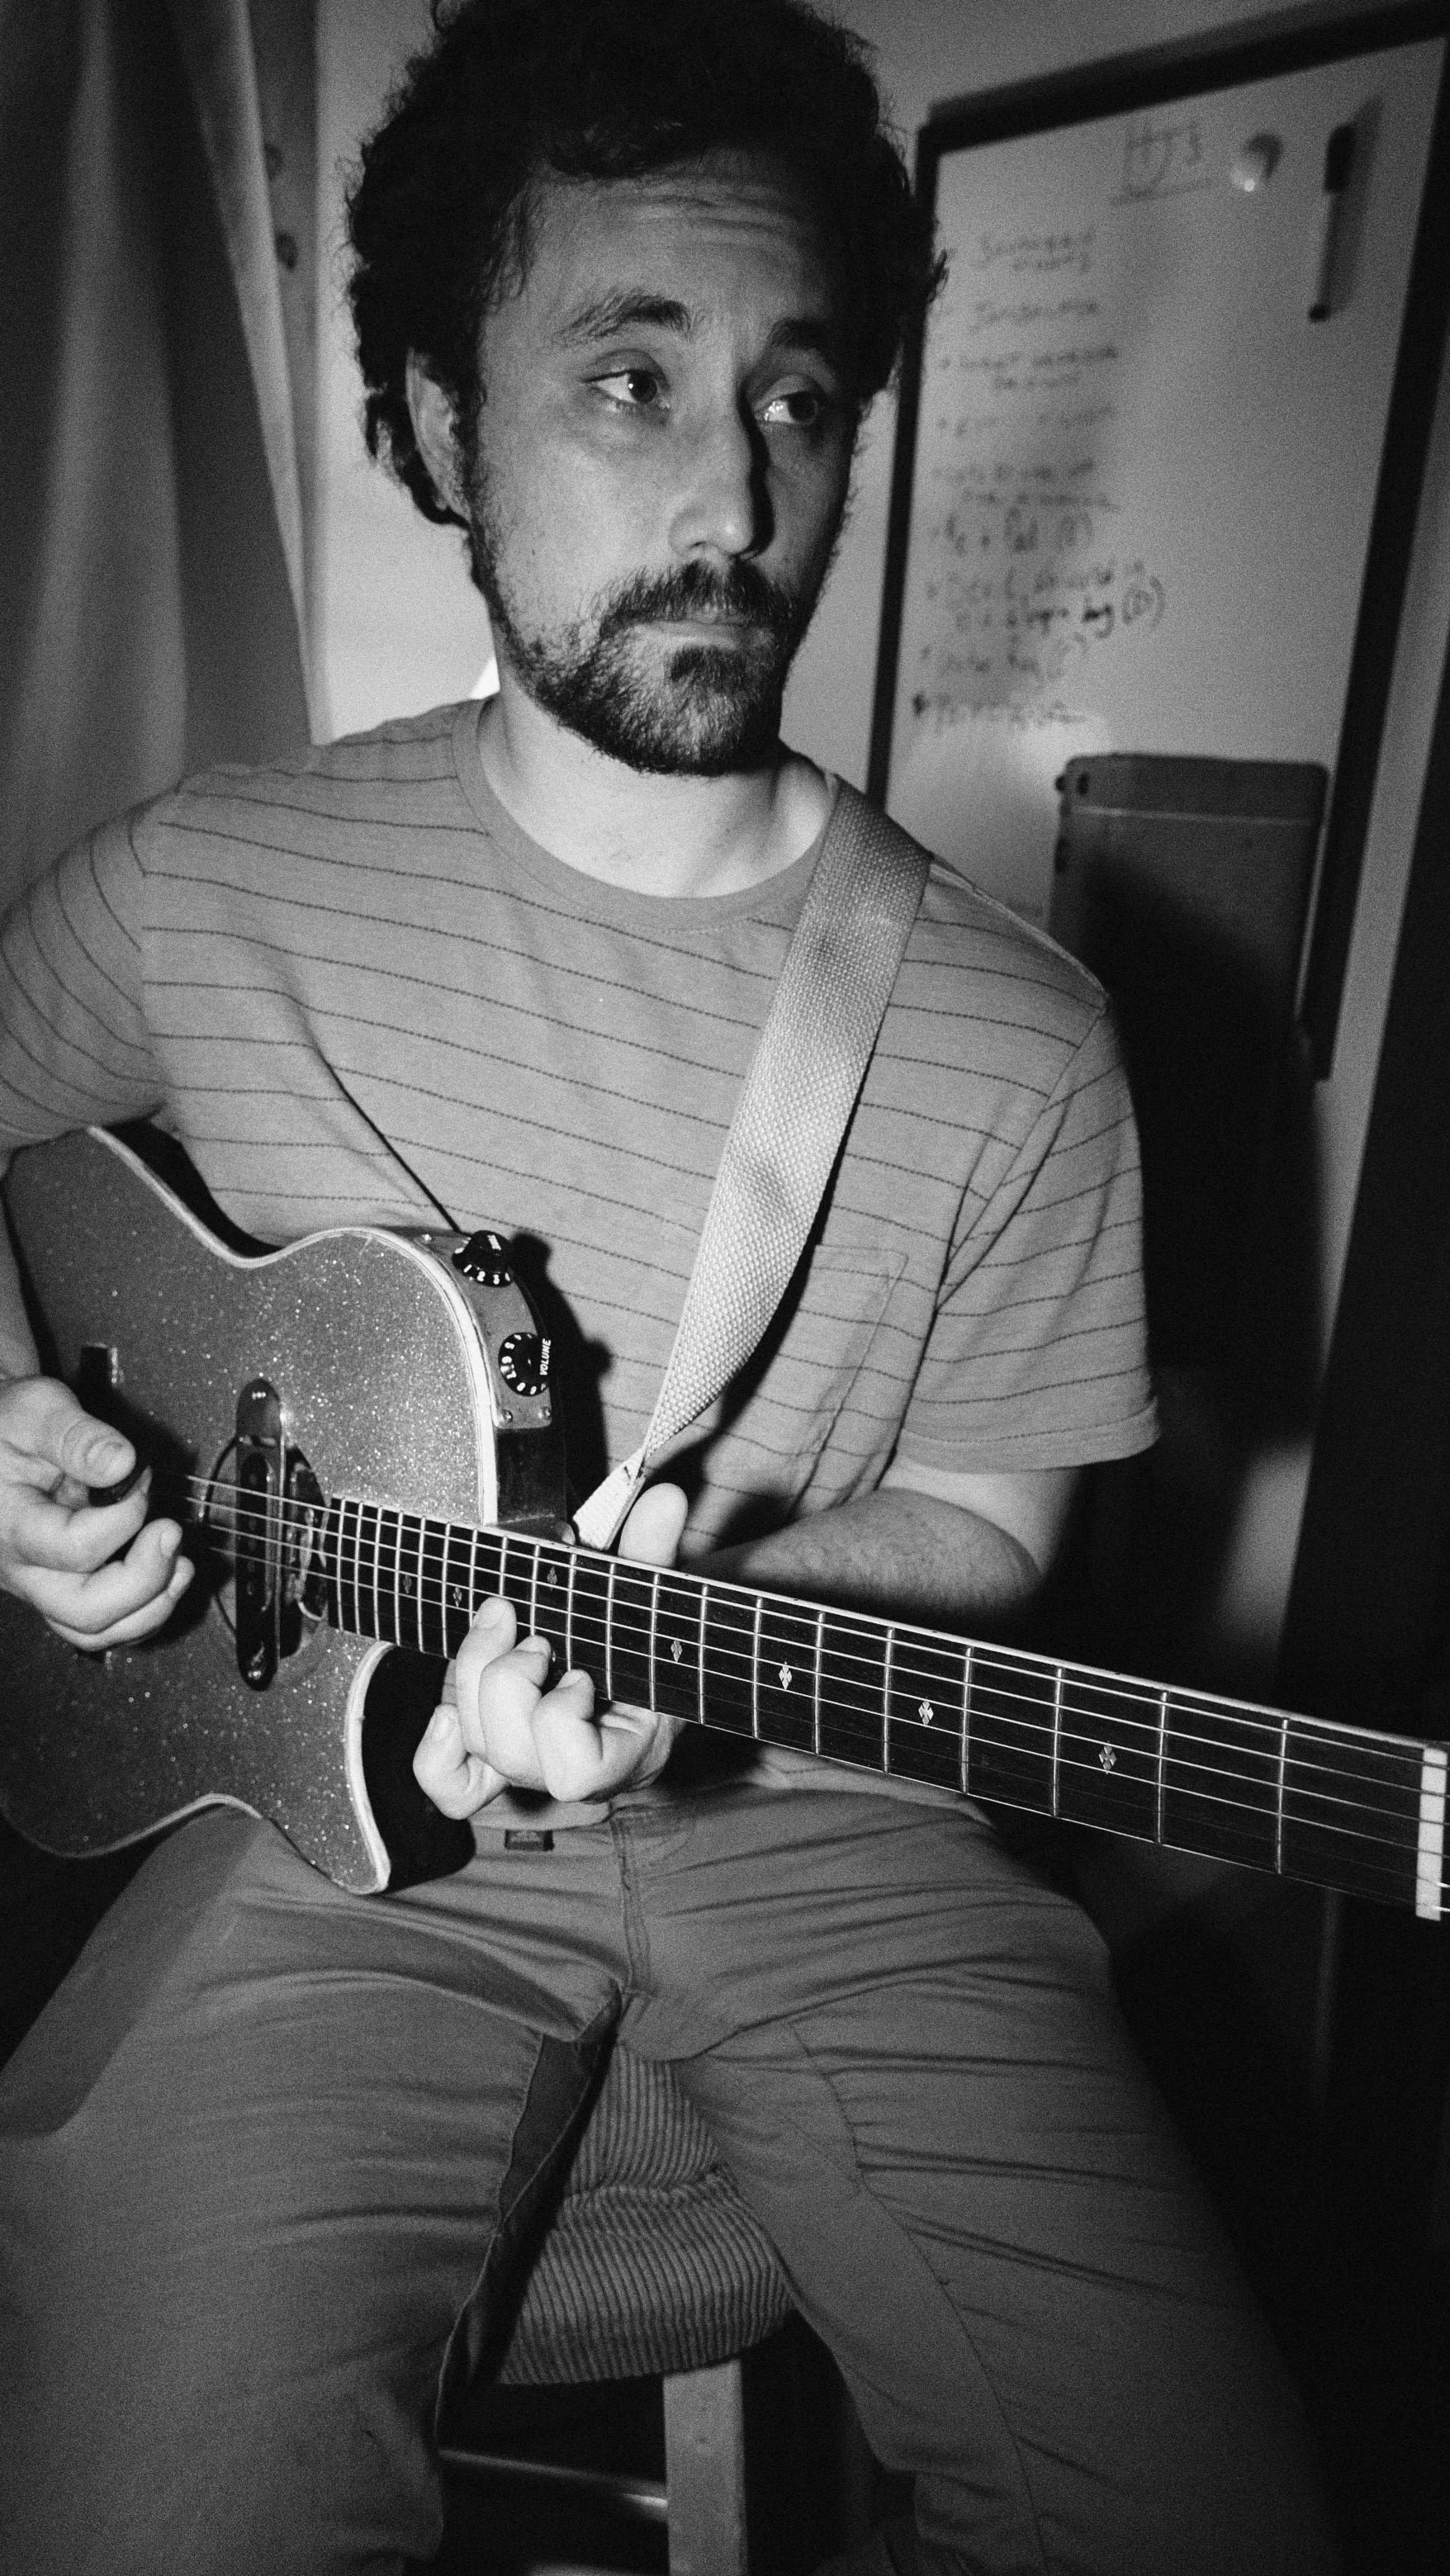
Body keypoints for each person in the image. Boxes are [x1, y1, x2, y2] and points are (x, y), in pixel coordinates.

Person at [0, 3, 1337, 2570]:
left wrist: (701, 1609)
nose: (739, 489)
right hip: (307, 1831)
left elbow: (988, 1524)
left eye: (799, 395)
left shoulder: (1026, 1033)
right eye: (630, 376)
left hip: (834, 1823)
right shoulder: (211, 881)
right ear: (427, 422)